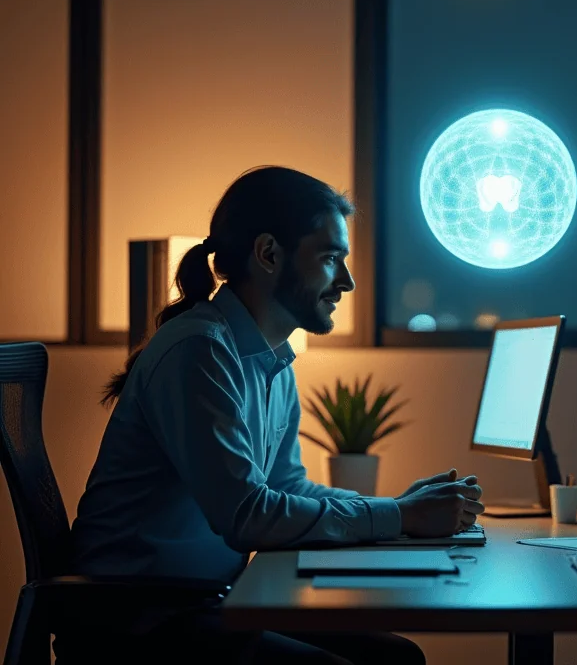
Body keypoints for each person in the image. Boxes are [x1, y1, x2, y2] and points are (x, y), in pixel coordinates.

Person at [67, 166, 484, 665]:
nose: (347, 281)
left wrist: (398, 509)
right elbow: (247, 517)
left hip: (201, 605)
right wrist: (396, 516)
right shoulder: (198, 351)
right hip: (138, 624)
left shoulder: (270, 359)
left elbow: (287, 487)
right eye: (331, 258)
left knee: (394, 658)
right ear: (268, 254)